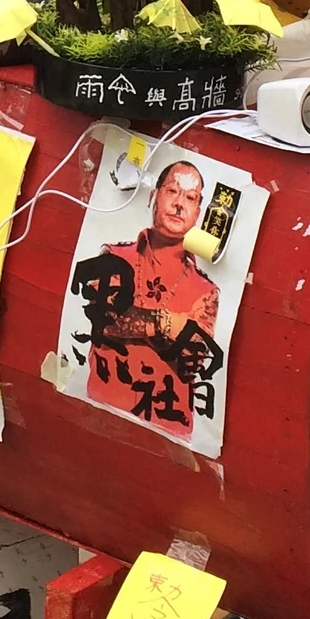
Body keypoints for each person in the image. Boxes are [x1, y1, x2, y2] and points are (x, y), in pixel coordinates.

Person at [67, 158, 224, 441]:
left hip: (167, 427)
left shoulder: (206, 290)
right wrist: (169, 323)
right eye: (172, 191)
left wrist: (135, 319)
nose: (179, 204)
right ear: (154, 196)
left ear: (198, 213)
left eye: (190, 198)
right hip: (102, 412)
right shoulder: (114, 256)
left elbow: (192, 359)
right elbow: (104, 320)